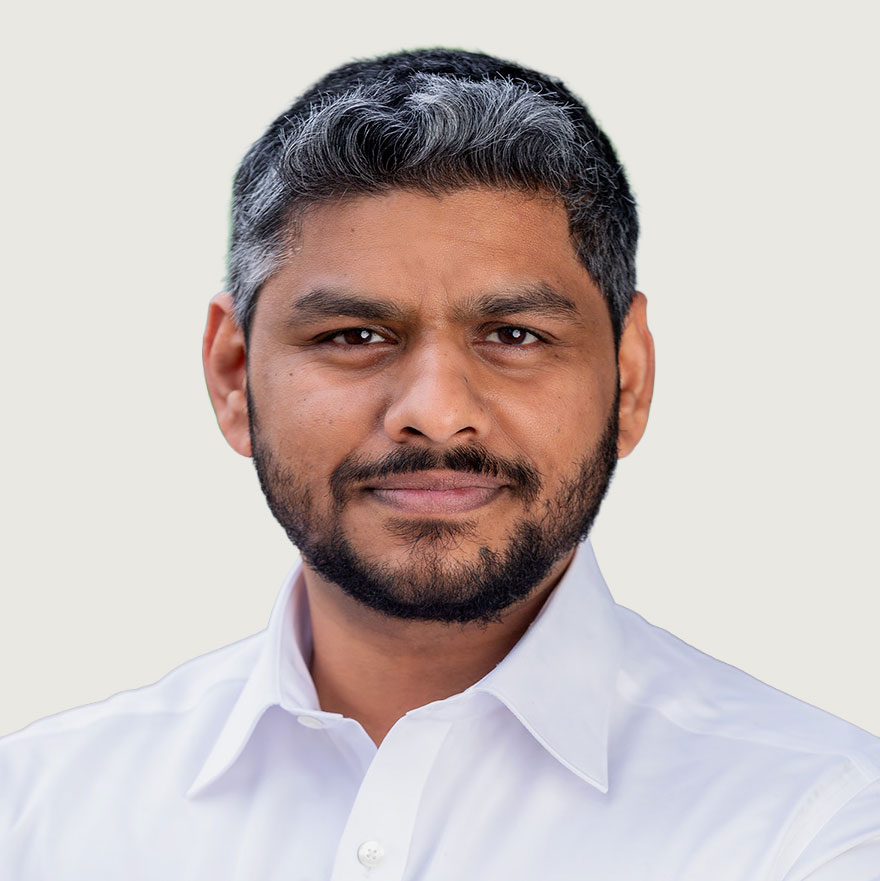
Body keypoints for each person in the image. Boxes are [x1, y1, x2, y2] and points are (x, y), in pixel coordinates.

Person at [1, 47, 878, 880]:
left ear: (630, 378)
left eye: (514, 335)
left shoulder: (814, 821)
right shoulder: (37, 814)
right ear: (234, 376)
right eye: (355, 335)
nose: (435, 410)